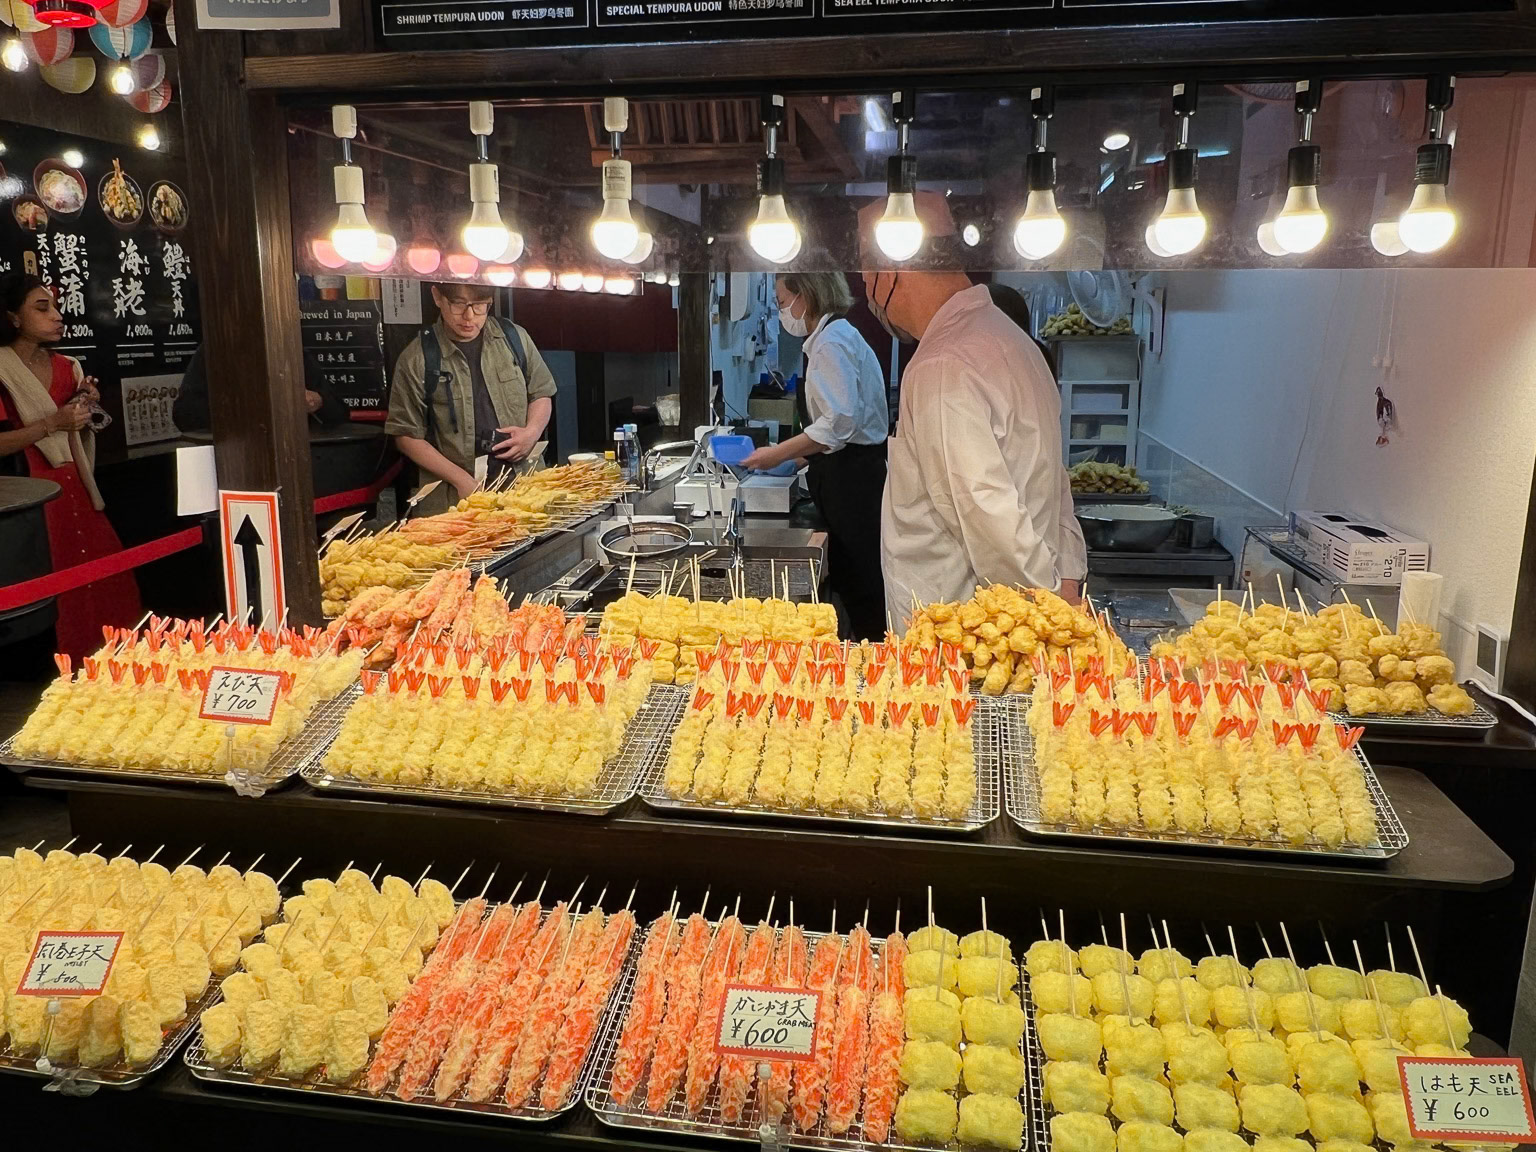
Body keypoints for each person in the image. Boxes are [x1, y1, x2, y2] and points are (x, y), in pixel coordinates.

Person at [858, 195, 1086, 631]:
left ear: (888, 273)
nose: (867, 288)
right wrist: (1067, 580)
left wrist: (1046, 614)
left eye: (866, 272)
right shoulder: (1015, 341)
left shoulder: (943, 365)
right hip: (1011, 622)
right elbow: (1057, 484)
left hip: (958, 645)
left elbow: (988, 515)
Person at [0, 273, 142, 659]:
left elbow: (78, 427)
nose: (57, 316)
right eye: (42, 308)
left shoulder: (68, 367)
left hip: (74, 485)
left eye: (57, 307)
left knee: (105, 577)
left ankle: (116, 661)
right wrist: (52, 423)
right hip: (26, 495)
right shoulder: (1, 369)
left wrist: (86, 404)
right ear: (13, 316)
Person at [742, 271, 889, 640]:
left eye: (780, 302)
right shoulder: (835, 337)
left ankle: (870, 663)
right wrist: (797, 460)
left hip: (853, 483)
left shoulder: (831, 344)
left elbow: (838, 424)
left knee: (862, 586)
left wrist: (775, 455)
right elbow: (841, 426)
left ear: (804, 296)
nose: (781, 312)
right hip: (852, 472)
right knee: (859, 582)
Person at [385, 281, 557, 516]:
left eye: (479, 306)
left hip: (524, 486)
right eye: (457, 304)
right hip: (455, 499)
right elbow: (405, 435)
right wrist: (460, 479)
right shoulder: (417, 358)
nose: (469, 316)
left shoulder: (514, 338)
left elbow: (541, 392)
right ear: (437, 297)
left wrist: (532, 433)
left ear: (491, 302)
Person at [173, 345, 349, 434]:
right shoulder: (215, 350)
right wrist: (245, 408)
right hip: (231, 461)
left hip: (295, 459)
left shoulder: (292, 349)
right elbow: (183, 415)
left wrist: (318, 401)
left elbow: (340, 412)